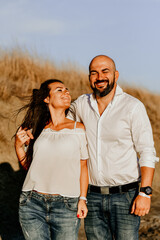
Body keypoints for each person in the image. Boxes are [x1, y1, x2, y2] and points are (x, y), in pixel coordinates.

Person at [68, 55, 159, 240]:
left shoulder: (133, 107)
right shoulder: (80, 105)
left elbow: (147, 151)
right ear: (89, 77)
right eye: (94, 72)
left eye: (105, 71)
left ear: (116, 75)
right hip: (91, 196)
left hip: (126, 196)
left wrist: (145, 192)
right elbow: (60, 125)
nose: (99, 77)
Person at [15, 79, 89, 240]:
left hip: (66, 204)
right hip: (32, 202)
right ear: (46, 99)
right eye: (59, 90)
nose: (66, 92)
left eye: (67, 89)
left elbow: (84, 166)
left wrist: (83, 199)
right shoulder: (38, 129)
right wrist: (18, 147)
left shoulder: (78, 129)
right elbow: (30, 166)